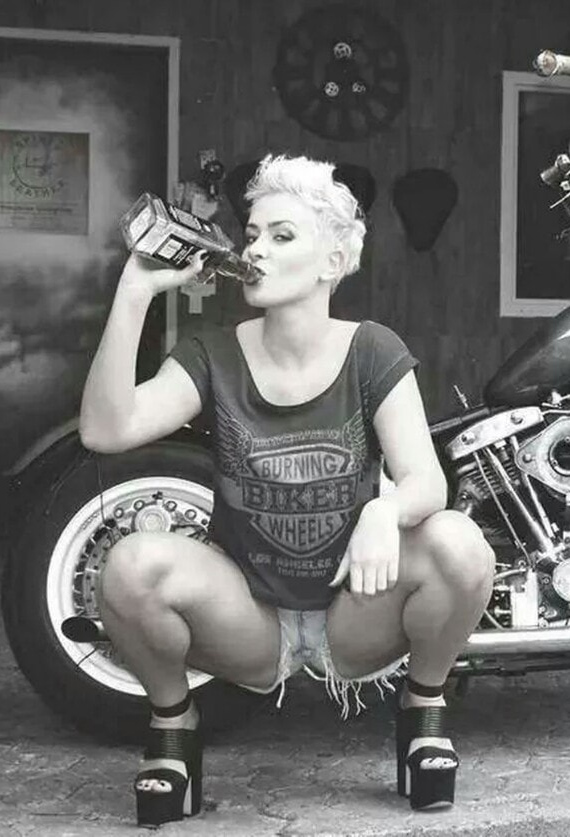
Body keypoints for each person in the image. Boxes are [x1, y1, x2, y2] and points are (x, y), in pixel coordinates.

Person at [78, 154, 495, 826]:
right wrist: (135, 291)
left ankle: (423, 706)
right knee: (129, 566)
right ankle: (174, 723)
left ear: (333, 260)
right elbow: (106, 429)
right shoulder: (213, 353)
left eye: (281, 236)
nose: (255, 251)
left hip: (354, 613)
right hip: (250, 619)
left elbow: (427, 481)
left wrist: (384, 510)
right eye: (252, 236)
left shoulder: (372, 350)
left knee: (460, 545)